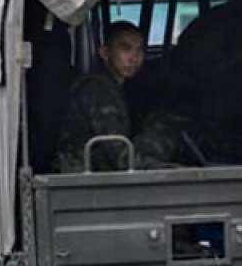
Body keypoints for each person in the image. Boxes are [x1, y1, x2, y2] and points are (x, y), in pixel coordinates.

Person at [52, 21, 187, 173]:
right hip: (83, 178)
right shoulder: (98, 90)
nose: (134, 58)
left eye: (140, 50)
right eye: (125, 49)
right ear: (104, 53)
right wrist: (173, 170)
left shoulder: (114, 88)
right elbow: (121, 158)